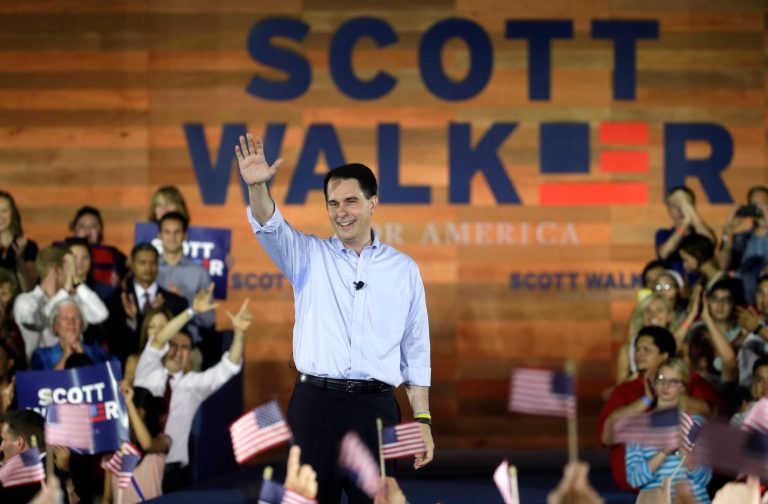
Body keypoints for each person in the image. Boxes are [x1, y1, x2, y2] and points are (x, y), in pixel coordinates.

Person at [236, 133, 433, 504]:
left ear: (373, 203)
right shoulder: (307, 255)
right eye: (333, 203)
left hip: (376, 409)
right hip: (316, 406)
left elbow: (416, 350)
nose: (341, 212)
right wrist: (258, 186)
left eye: (351, 201)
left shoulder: (404, 270)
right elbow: (269, 223)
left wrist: (422, 420)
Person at [132, 289, 247, 493]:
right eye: (173, 345)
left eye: (185, 347)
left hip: (173, 476)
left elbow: (229, 366)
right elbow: (158, 340)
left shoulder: (194, 384)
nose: (177, 351)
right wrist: (191, 311)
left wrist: (239, 333)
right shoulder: (146, 370)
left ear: (190, 356)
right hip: (137, 466)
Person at [599, 327, 723, 491]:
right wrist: (647, 400)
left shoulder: (693, 384)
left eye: (647, 350)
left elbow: (716, 414)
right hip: (642, 494)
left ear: (665, 355)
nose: (639, 354)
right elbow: (607, 436)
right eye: (637, 349)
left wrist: (676, 401)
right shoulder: (624, 391)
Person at [625, 358, 712, 503]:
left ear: (683, 386)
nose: (666, 385)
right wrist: (664, 452)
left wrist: (687, 456)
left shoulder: (696, 423)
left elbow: (705, 479)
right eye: (661, 378)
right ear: (655, 382)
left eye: (673, 381)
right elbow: (634, 479)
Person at [14, 245, 109, 361]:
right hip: (40, 373)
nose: (76, 271)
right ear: (57, 270)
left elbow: (101, 314)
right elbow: (38, 322)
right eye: (71, 268)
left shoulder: (72, 299)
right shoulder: (25, 301)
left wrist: (77, 285)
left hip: (74, 368)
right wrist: (64, 291)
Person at [106, 242, 188, 366]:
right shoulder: (116, 301)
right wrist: (132, 321)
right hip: (126, 368)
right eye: (143, 263)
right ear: (132, 265)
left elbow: (181, 340)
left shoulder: (176, 303)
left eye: (153, 262)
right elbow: (114, 344)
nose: (148, 268)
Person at [155, 211, 215, 366]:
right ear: (159, 235)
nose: (172, 237)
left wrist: (184, 300)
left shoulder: (199, 272)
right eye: (167, 232)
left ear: (185, 236)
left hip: (188, 347)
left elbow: (209, 320)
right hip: (154, 344)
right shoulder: (150, 269)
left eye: (177, 232)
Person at [103, 384, 170, 503]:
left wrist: (129, 404)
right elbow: (107, 497)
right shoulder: (115, 446)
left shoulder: (163, 440)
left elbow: (147, 445)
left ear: (140, 412)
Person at [30, 297, 112, 370]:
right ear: (55, 326)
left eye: (76, 317)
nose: (71, 322)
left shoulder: (98, 352)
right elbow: (44, 383)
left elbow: (106, 379)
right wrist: (66, 354)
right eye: (65, 318)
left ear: (82, 323)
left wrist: (83, 356)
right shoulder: (41, 356)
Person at [719, 185, 768, 304]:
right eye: (755, 205)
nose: (759, 209)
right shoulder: (742, 238)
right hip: (744, 298)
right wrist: (728, 232)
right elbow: (723, 266)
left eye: (764, 204)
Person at [655, 186, 716, 278]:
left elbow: (710, 242)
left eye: (684, 205)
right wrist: (685, 223)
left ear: (692, 207)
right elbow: (664, 253)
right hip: (675, 287)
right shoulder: (663, 233)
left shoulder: (700, 231)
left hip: (701, 284)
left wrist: (691, 213)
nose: (679, 210)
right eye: (674, 205)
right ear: (668, 209)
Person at [69, 206, 128, 295]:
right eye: (82, 226)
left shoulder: (116, 256)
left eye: (93, 226)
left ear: (100, 230)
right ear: (75, 229)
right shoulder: (62, 253)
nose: (87, 230)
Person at [0, 191, 38, 293]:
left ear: (12, 213)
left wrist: (19, 258)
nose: (0, 216)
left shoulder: (29, 246)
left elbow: (28, 287)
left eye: (4, 211)